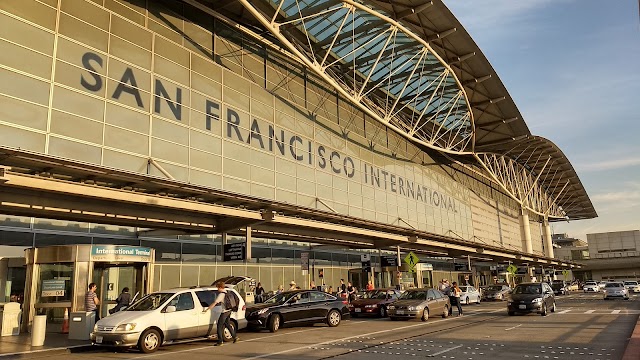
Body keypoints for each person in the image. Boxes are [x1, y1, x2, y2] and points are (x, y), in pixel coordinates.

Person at [204, 281, 238, 346]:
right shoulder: (227, 292)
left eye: (217, 288)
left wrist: (208, 309)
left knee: (219, 326)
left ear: (220, 287)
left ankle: (220, 341)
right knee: (227, 324)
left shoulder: (221, 295)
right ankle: (235, 337)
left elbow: (215, 303)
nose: (217, 289)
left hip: (224, 312)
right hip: (229, 310)